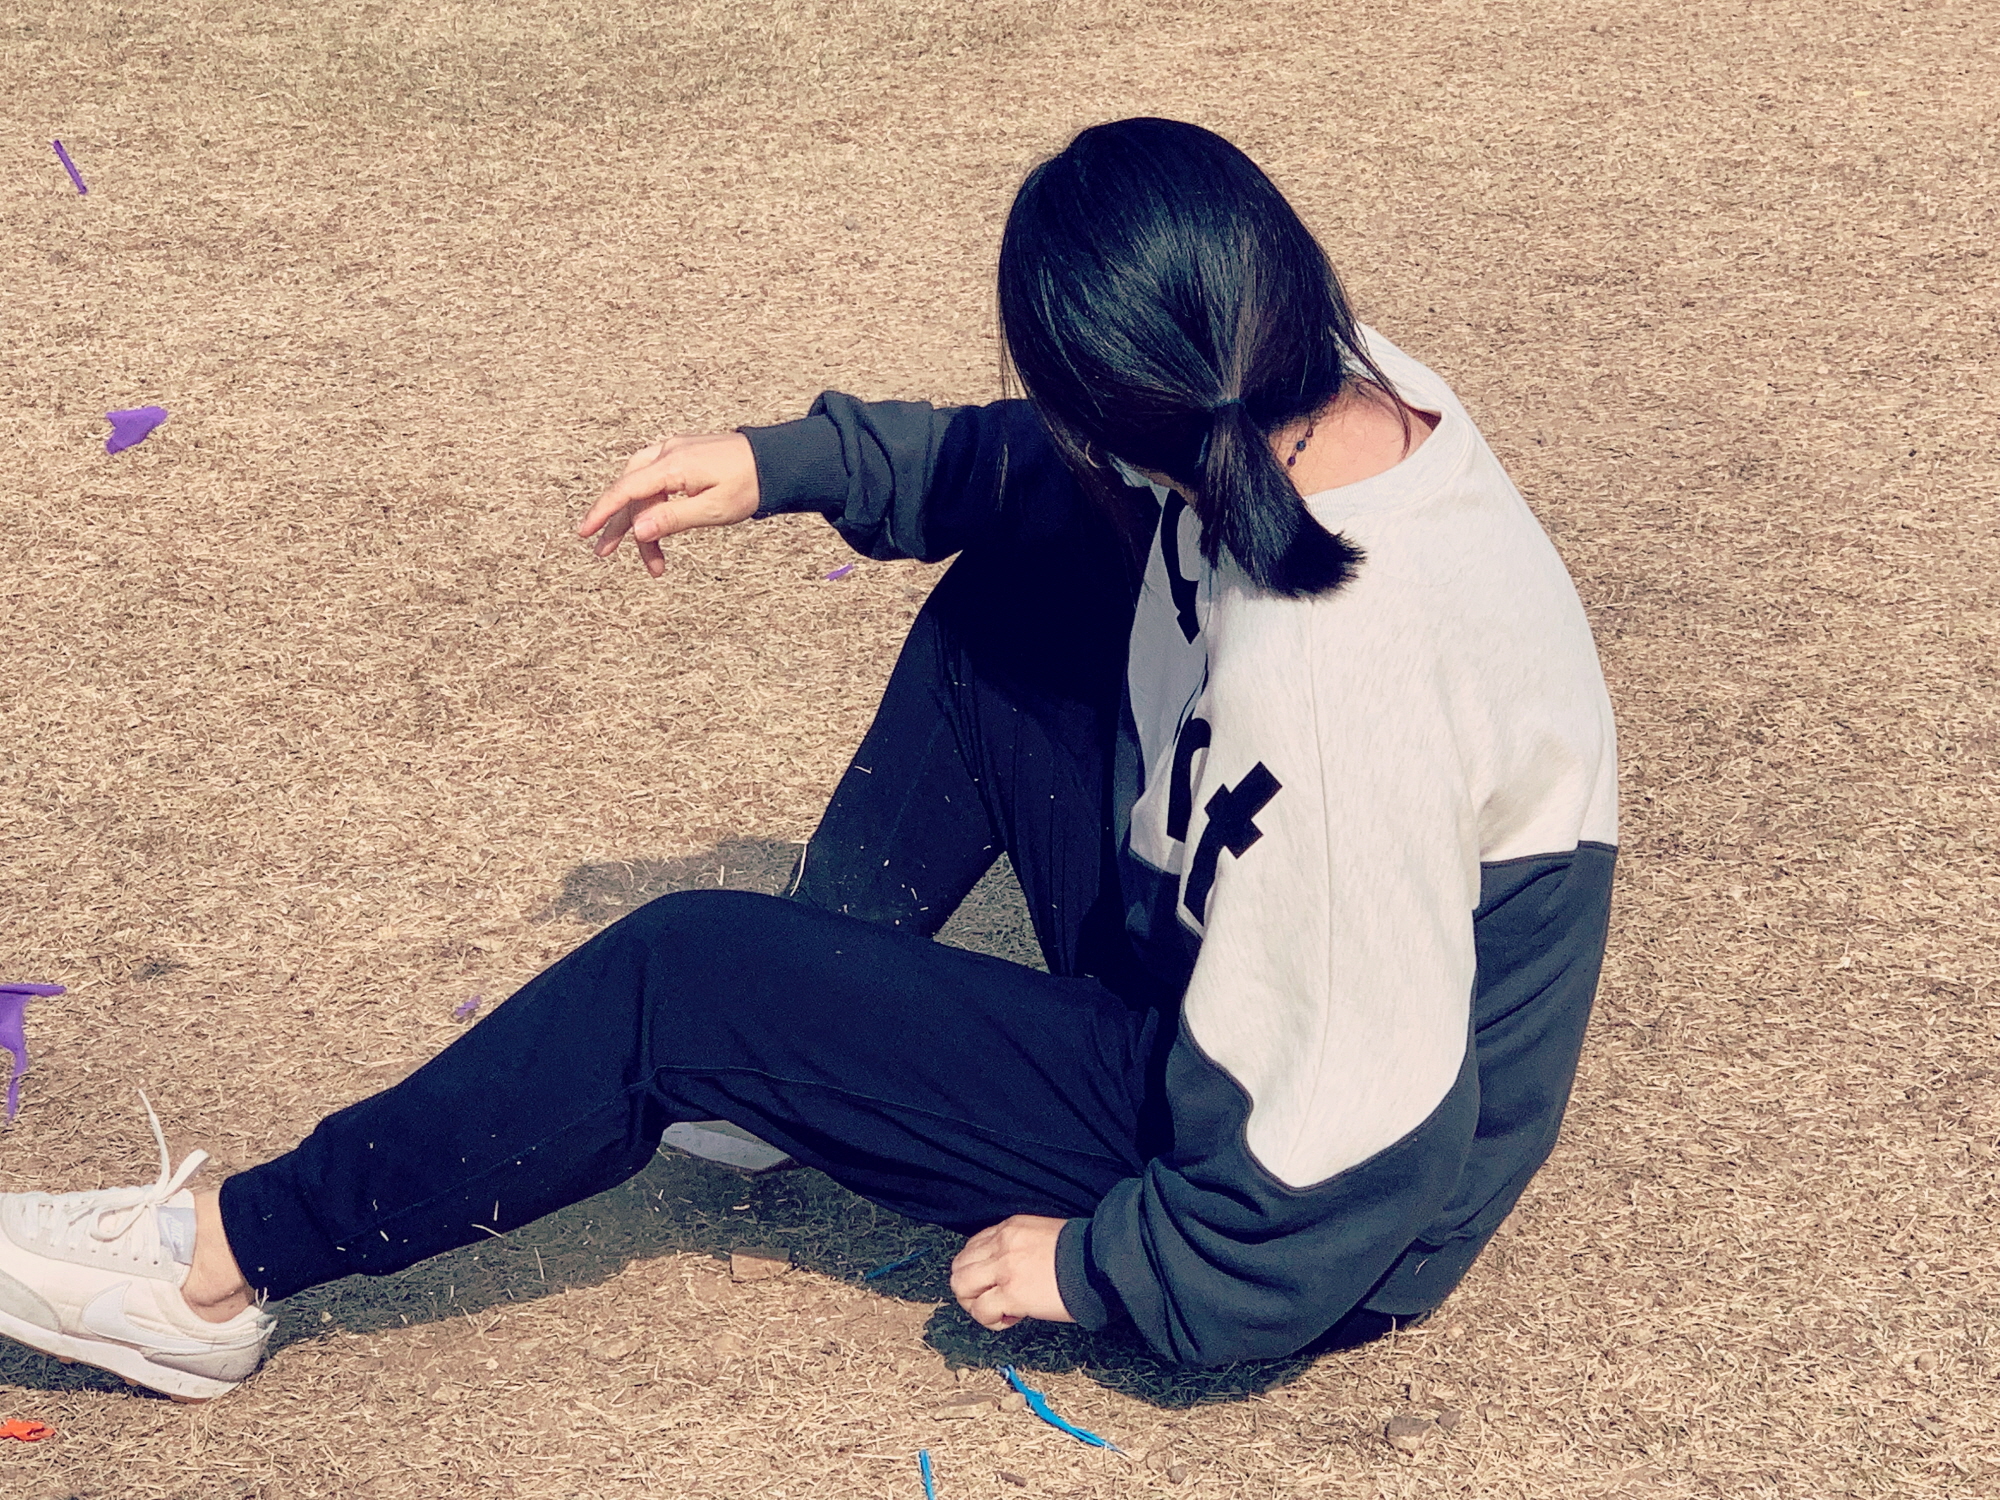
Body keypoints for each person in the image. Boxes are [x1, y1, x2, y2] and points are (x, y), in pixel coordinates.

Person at [0, 118, 1616, 1401]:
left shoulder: (1340, 684)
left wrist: (1113, 1269)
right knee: (1018, 594)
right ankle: (800, 1056)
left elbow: (1355, 1130)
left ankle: (213, 1271)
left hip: (1290, 1195)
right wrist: (787, 465)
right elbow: (1041, 471)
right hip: (1231, 968)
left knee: (683, 980)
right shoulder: (1310, 376)